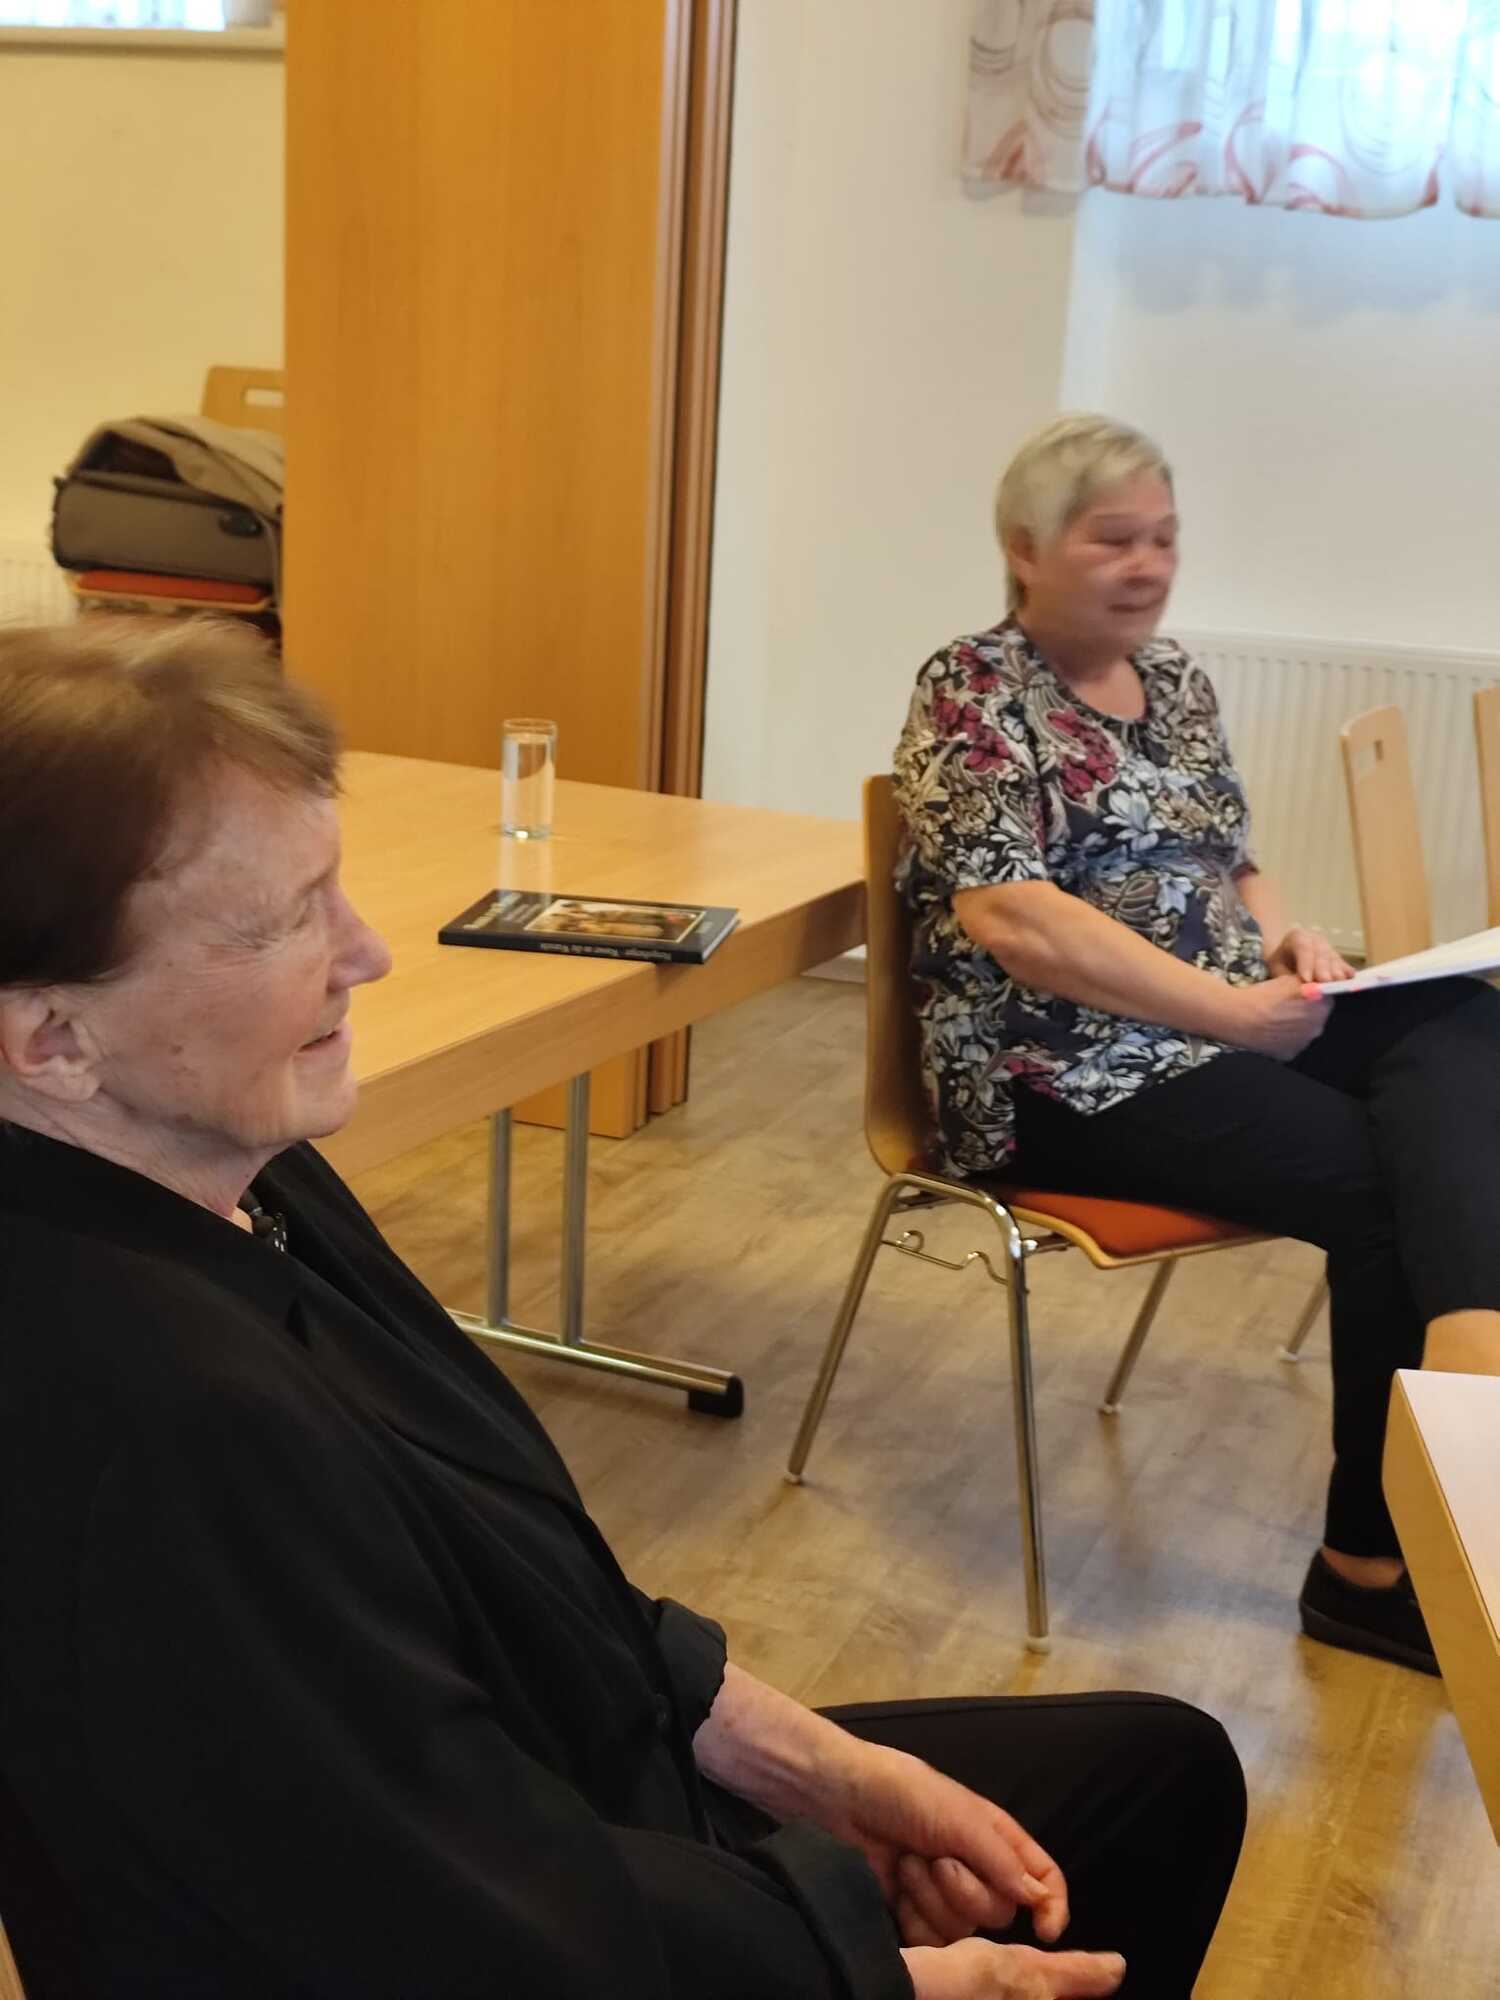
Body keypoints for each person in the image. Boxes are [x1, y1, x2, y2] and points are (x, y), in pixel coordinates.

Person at [0, 619, 1245, 1999]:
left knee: (1159, 1772)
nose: (367, 952)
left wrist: (811, 1765)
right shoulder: (150, 1421)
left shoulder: (240, 1162)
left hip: (577, 1811)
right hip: (528, 1922)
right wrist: (864, 1969)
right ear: (53, 1038)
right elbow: (443, 1921)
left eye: (334, 887)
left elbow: (524, 1579)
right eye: (285, 919)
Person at [894, 412, 1500, 1682]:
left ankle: (1472, 1337)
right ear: (1024, 548)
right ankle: (1366, 1571)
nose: (1149, 564)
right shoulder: (973, 687)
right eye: (1113, 538)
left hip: (1223, 1018)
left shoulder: (1174, 681)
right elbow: (1011, 916)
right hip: (1055, 1068)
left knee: (1466, 1016)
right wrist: (1229, 1012)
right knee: (1385, 1186)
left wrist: (1290, 942)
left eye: (1164, 537)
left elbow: (1236, 864)